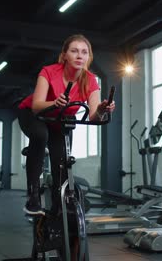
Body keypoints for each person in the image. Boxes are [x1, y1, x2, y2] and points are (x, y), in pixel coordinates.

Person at [17, 34, 115, 215]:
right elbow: (37, 106)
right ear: (64, 56)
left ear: (88, 57)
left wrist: (102, 108)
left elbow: (94, 116)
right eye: (74, 51)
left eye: (84, 52)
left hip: (59, 120)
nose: (80, 56)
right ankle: (33, 197)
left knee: (61, 159)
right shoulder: (48, 71)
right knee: (40, 136)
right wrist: (55, 103)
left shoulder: (90, 79)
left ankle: (58, 204)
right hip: (33, 114)